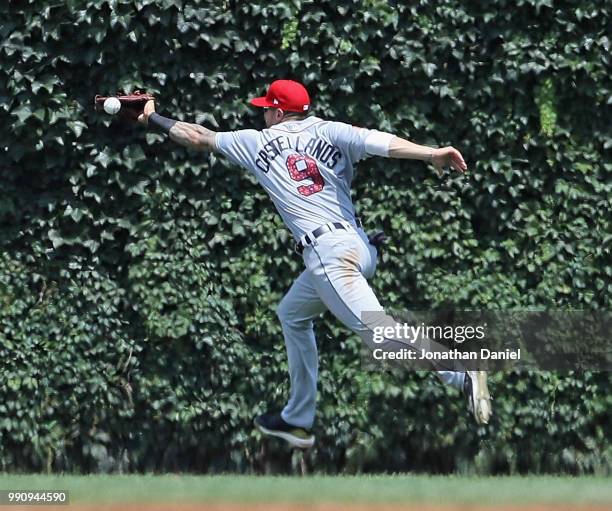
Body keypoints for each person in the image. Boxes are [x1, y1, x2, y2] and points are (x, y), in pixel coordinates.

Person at [137, 79, 491, 449]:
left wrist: (152, 118)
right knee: (292, 313)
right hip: (357, 245)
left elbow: (197, 136)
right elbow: (383, 142)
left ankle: (459, 371)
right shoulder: (331, 130)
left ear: (277, 111)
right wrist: (431, 153)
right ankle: (297, 419)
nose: (262, 113)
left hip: (329, 255)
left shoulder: (255, 141)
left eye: (265, 108)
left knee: (379, 334)